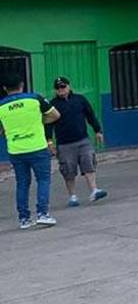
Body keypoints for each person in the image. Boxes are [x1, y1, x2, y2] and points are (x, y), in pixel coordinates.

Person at [1, 73, 61, 229]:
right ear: (22, 84)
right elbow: (55, 115)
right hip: (37, 148)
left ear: (4, 88)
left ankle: (24, 219)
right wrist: (38, 122)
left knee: (22, 183)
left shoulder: (1, 106)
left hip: (15, 150)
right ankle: (43, 214)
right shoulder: (35, 99)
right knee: (43, 180)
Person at [47, 76, 107, 207]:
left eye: (63, 86)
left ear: (69, 86)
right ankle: (72, 196)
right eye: (58, 88)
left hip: (83, 140)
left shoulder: (80, 100)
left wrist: (98, 131)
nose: (61, 90)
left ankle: (94, 190)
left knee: (89, 163)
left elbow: (90, 115)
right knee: (68, 170)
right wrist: (50, 142)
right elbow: (48, 124)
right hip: (64, 144)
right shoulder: (53, 105)